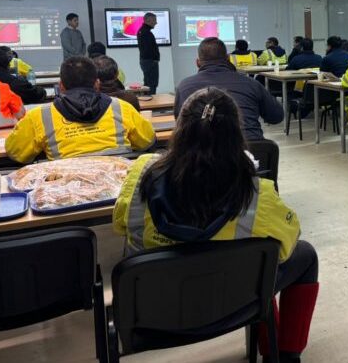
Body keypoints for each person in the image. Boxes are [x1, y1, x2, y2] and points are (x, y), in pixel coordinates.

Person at [113, 87, 318, 363]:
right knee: (298, 256)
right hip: (234, 305)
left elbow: (119, 224)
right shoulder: (257, 192)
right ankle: (284, 356)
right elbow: (288, 242)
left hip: (152, 312)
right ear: (237, 136)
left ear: (179, 128)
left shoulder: (141, 175)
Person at [5, 56, 155, 163]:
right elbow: (147, 141)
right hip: (118, 189)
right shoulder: (121, 107)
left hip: (66, 193)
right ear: (97, 83)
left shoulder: (39, 116)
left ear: (61, 86)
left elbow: (16, 153)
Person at [174, 38, 284, 140]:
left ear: (198, 62)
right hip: (251, 149)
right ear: (227, 58)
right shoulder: (251, 84)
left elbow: (180, 121)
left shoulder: (184, 87)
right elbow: (276, 116)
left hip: (204, 151)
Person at [137, 12, 160, 95]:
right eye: (154, 20)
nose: (156, 23)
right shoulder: (146, 33)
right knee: (151, 84)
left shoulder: (142, 31)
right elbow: (148, 50)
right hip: (150, 62)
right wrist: (154, 59)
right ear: (148, 20)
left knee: (148, 83)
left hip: (146, 61)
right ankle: (151, 100)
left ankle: (147, 98)